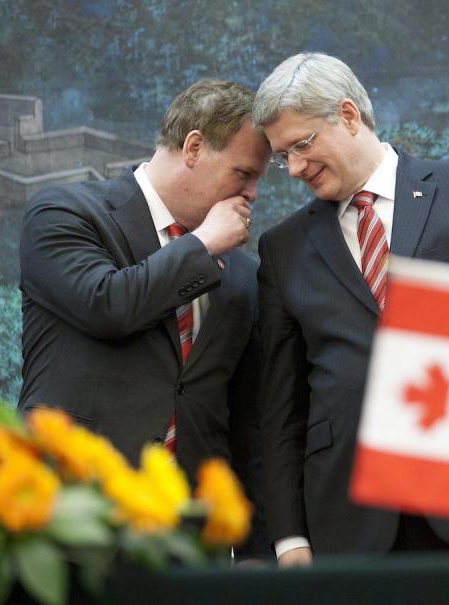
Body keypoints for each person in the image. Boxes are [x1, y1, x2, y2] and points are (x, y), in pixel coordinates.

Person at [252, 52, 449, 564]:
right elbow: (280, 405)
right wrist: (289, 536)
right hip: (344, 520)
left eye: (302, 145)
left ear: (349, 116)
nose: (293, 169)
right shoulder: (283, 247)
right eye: (281, 155)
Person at [18, 79, 271, 558]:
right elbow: (107, 304)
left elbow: (246, 422)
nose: (253, 194)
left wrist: (257, 549)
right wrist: (200, 246)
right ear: (194, 147)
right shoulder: (65, 213)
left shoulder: (242, 275)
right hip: (71, 515)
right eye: (243, 173)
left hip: (192, 540)